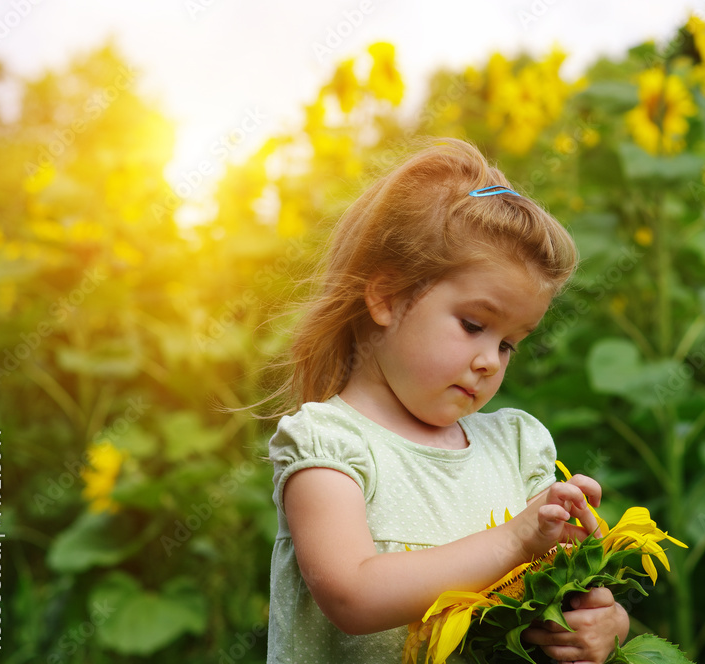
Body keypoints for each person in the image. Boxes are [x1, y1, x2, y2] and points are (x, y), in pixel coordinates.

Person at [266, 138, 629, 663]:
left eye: (508, 344)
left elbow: (557, 595)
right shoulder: (330, 442)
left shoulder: (515, 446)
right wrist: (514, 540)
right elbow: (353, 595)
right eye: (473, 325)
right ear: (387, 296)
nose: (490, 361)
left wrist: (602, 624)